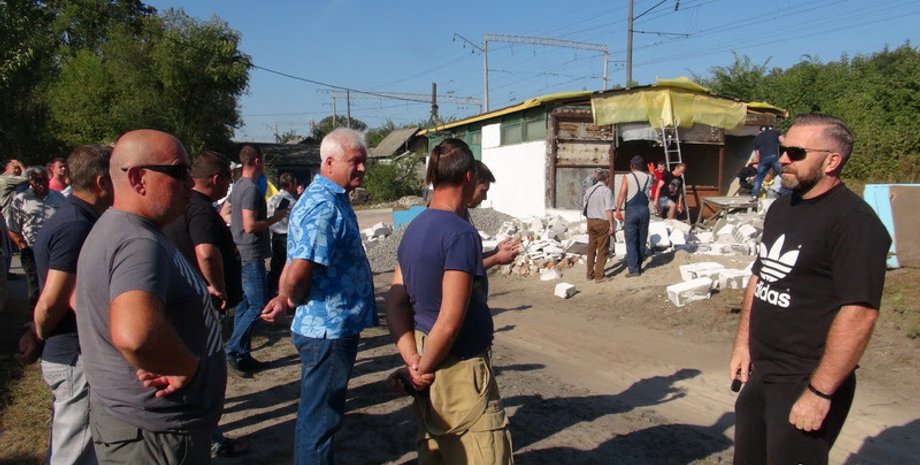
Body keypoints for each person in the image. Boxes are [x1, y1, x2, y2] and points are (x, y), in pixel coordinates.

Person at [728, 114, 891, 465]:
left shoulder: (855, 224)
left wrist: (820, 392)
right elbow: (760, 276)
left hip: (805, 379)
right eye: (783, 149)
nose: (783, 158)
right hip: (763, 373)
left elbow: (860, 313)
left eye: (796, 152)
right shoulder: (783, 207)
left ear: (832, 161)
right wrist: (743, 344)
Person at [75, 129, 226, 464]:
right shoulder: (137, 243)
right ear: (138, 178)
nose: (190, 182)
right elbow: (135, 335)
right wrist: (185, 366)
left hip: (147, 429)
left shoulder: (123, 230)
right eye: (179, 172)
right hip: (157, 437)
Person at [385, 138, 513, 465]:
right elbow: (449, 322)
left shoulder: (414, 228)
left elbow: (395, 302)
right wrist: (421, 370)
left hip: (425, 356)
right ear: (469, 176)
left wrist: (413, 360)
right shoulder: (460, 233)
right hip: (458, 370)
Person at [260, 128, 376, 465]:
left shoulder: (330, 198)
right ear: (329, 162)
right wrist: (290, 297)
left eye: (364, 161)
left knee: (319, 417)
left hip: (331, 327)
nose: (362, 168)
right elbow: (299, 269)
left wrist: (283, 298)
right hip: (329, 330)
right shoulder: (324, 206)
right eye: (355, 161)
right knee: (321, 421)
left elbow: (298, 256)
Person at [14, 145, 113, 465]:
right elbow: (54, 298)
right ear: (102, 182)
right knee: (73, 452)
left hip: (72, 351)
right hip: (73, 353)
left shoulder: (75, 216)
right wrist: (39, 332)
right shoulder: (76, 225)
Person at [161, 150, 248, 459]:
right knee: (203, 376)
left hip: (182, 302)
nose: (229, 184)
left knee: (194, 373)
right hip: (201, 306)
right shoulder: (199, 210)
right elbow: (206, 252)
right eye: (228, 178)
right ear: (215, 178)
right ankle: (209, 439)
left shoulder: (179, 206)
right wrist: (218, 288)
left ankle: (203, 434)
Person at [226, 145, 287, 377]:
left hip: (242, 251)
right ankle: (232, 348)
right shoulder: (250, 189)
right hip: (251, 253)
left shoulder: (238, 186)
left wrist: (234, 235)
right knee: (258, 305)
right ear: (258, 161)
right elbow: (250, 225)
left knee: (244, 305)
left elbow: (224, 212)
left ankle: (242, 354)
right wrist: (275, 219)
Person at [6, 166, 66, 304]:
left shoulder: (59, 198)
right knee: (35, 288)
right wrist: (24, 247)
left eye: (45, 179)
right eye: (38, 180)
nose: (42, 183)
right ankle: (35, 314)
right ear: (30, 181)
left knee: (56, 286)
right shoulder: (21, 200)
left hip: (55, 250)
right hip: (31, 250)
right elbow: (13, 228)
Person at [469, 161, 519, 272]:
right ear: (469, 182)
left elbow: (471, 260)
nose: (485, 198)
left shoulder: (463, 214)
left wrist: (495, 252)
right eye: (482, 191)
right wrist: (496, 258)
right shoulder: (454, 224)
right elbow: (464, 270)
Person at [615, 155, 653, 277]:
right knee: (642, 240)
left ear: (631, 166)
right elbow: (654, 185)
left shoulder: (627, 177)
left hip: (632, 210)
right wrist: (652, 172)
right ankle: (639, 265)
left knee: (631, 240)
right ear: (642, 166)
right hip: (644, 210)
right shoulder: (649, 177)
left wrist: (618, 209)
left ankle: (634, 269)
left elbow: (622, 194)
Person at [266, 172, 298, 295]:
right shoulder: (292, 202)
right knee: (287, 266)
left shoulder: (271, 199)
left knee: (275, 266)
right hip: (287, 236)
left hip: (275, 235)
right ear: (290, 184)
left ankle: (271, 290)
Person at [583, 169, 615, 283]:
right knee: (602, 249)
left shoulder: (589, 190)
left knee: (591, 248)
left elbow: (585, 206)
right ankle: (599, 276)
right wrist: (611, 224)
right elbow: (609, 209)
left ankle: (589, 274)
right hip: (602, 222)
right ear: (606, 179)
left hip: (590, 221)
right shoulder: (606, 191)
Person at [751, 125, 782, 199]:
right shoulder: (774, 132)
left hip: (763, 159)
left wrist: (759, 163)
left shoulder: (757, 137)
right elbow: (783, 140)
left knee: (759, 177)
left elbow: (757, 153)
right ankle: (793, 190)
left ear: (760, 131)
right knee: (783, 173)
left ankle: (754, 195)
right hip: (774, 156)